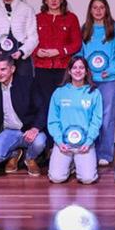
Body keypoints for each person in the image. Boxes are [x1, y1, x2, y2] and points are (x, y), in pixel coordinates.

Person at [0, 55, 47, 176]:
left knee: (40, 141)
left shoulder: (28, 83)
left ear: (12, 69)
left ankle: (29, 158)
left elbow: (42, 109)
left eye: (3, 69)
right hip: (8, 132)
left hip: (28, 130)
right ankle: (14, 154)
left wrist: (35, 128)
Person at [80, 0, 115, 167]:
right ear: (90, 10)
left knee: (107, 117)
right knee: (89, 116)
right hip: (89, 81)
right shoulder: (85, 29)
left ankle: (105, 153)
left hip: (108, 80)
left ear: (106, 9)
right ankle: (89, 150)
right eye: (94, 7)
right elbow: (79, 54)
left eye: (101, 7)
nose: (98, 11)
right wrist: (84, 71)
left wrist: (112, 69)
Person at [47, 55, 103, 184]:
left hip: (84, 145)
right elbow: (53, 121)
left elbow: (96, 121)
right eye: (74, 67)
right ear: (69, 71)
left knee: (88, 179)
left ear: (87, 71)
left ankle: (77, 163)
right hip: (64, 145)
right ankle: (70, 163)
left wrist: (88, 141)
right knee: (56, 178)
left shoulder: (94, 93)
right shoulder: (59, 92)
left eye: (81, 68)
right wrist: (59, 141)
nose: (78, 71)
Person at [34, 0, 82, 110]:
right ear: (45, 0)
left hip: (63, 68)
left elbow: (77, 44)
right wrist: (36, 51)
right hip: (42, 68)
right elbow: (30, 41)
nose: (53, 0)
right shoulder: (37, 18)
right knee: (44, 104)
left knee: (63, 103)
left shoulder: (71, 18)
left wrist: (59, 51)